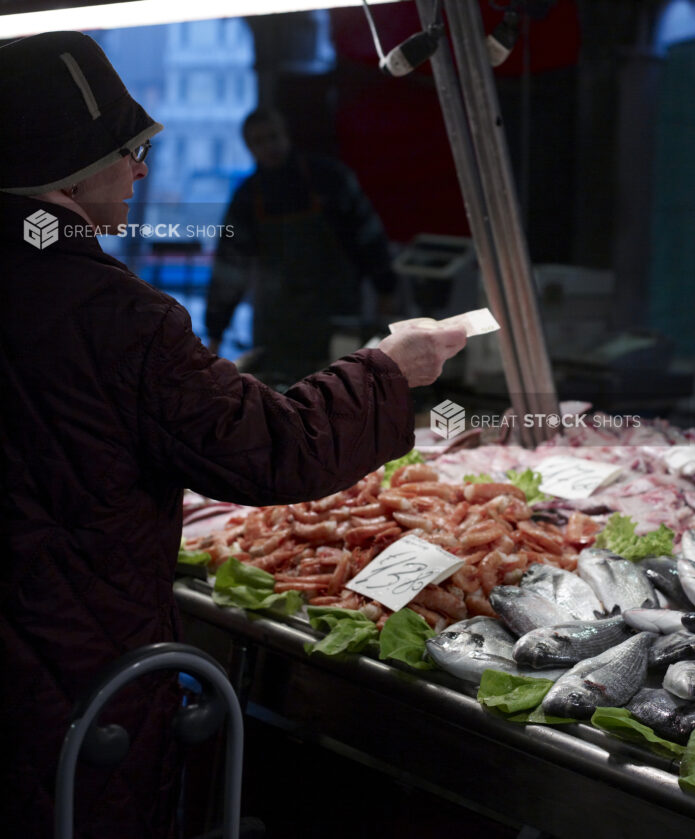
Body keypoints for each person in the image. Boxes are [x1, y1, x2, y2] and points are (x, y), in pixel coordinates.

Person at [0, 32, 466, 839]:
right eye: (132, 147)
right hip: (70, 685)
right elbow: (274, 446)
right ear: (71, 166)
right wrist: (390, 369)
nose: (142, 170)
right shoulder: (112, 314)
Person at [205, 107, 398, 387]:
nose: (269, 146)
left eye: (273, 137)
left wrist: (386, 289)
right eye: (259, 142)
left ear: (287, 134)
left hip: (337, 318)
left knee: (345, 395)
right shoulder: (247, 199)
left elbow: (369, 237)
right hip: (277, 331)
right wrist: (215, 332)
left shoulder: (331, 179)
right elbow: (229, 270)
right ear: (248, 147)